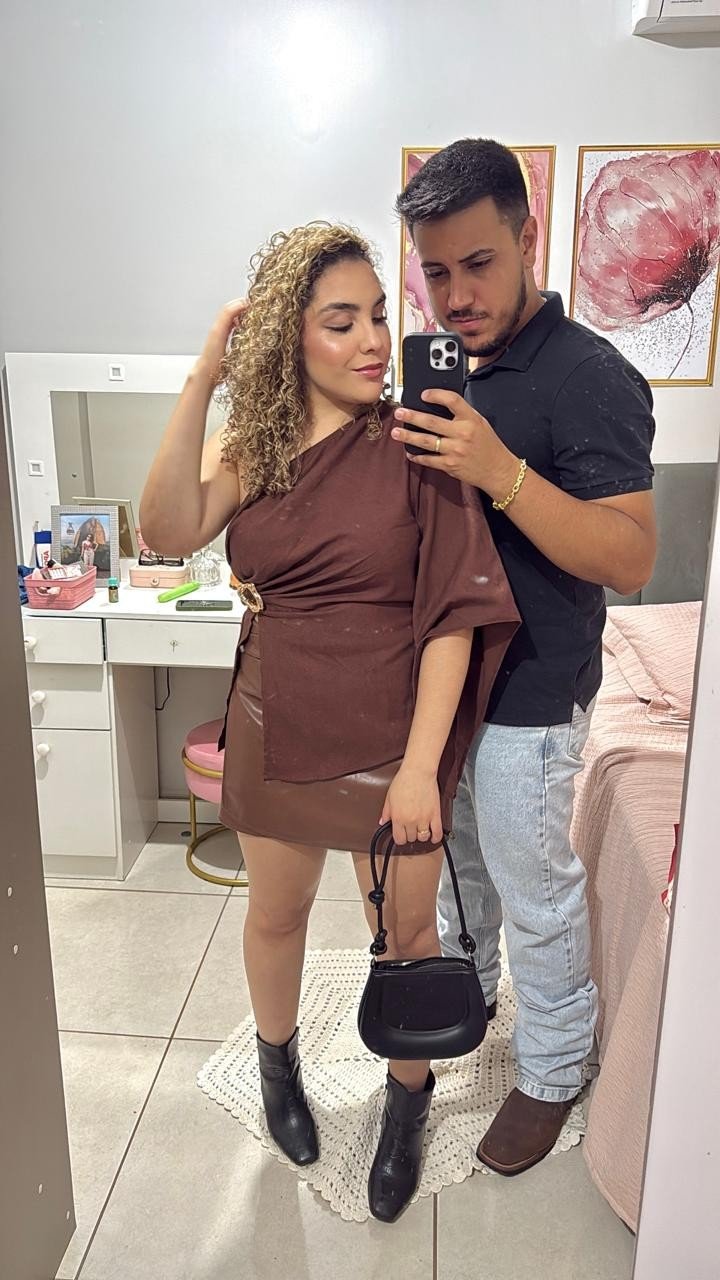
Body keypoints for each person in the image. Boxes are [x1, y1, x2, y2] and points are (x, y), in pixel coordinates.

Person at [140, 223, 518, 1222]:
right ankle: (279, 1070)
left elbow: (453, 617)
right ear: (289, 337)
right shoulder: (253, 448)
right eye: (340, 321)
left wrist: (420, 770)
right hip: (276, 712)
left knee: (405, 934)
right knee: (276, 913)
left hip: (395, 730)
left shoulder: (420, 440)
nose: (371, 340)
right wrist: (203, 378)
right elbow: (166, 530)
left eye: (379, 316)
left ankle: (407, 1103)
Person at [392, 139, 657, 1176]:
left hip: (534, 691)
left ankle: (552, 1068)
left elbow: (630, 556)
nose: (457, 295)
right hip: (442, 688)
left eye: (479, 263)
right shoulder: (449, 369)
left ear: (527, 237)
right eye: (437, 272)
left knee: (534, 886)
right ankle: (474, 994)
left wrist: (500, 471)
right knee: (462, 872)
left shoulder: (591, 377)